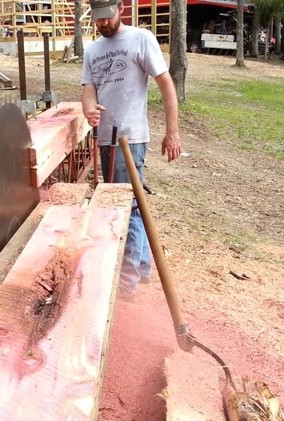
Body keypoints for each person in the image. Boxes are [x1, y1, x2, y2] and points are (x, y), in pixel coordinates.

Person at [81, 0, 182, 298]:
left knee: (126, 208)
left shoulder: (141, 39)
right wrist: (89, 111)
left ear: (120, 9)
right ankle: (142, 268)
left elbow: (166, 84)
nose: (103, 24)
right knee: (129, 203)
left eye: (107, 18)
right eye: (97, 20)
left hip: (131, 137)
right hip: (105, 138)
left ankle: (126, 285)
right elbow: (88, 92)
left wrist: (172, 132)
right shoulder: (92, 50)